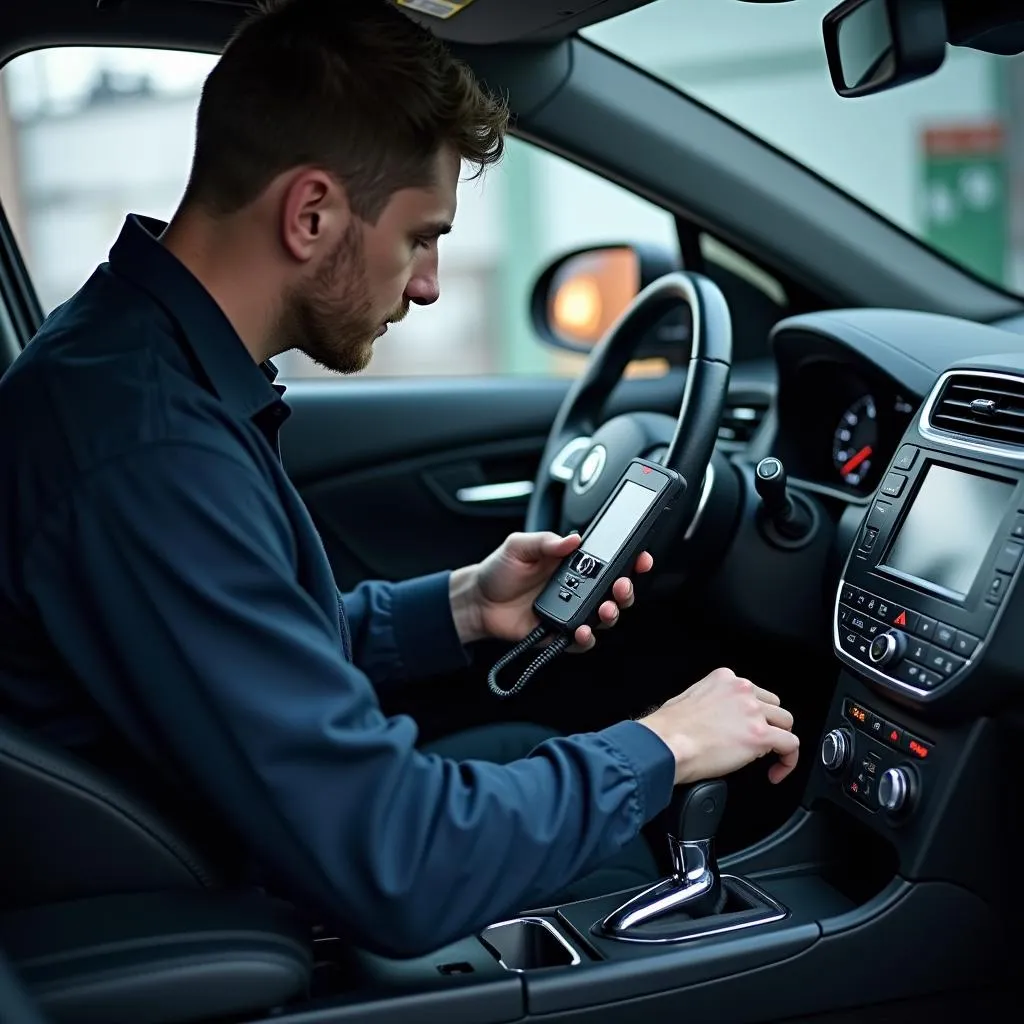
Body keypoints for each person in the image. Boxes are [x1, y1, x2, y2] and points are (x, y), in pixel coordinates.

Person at [0, 0, 799, 957]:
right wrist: (666, 746)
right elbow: (400, 860)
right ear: (311, 214)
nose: (425, 283)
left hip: (214, 834)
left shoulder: (129, 363)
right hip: (202, 918)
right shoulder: (148, 448)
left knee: (519, 751)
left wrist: (463, 605)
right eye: (422, 236)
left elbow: (230, 650)